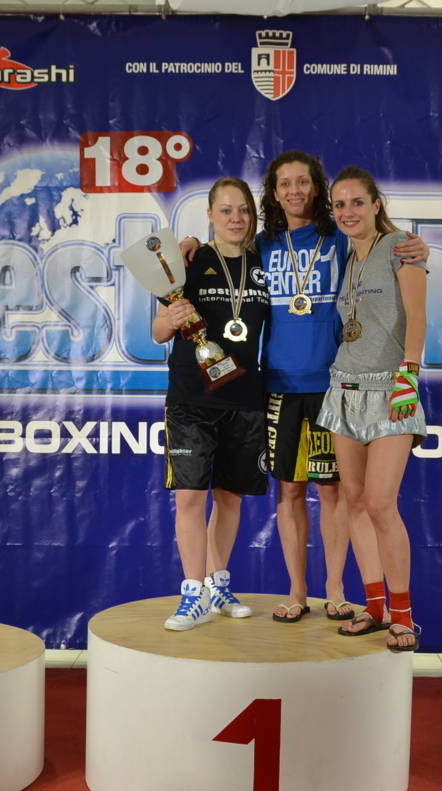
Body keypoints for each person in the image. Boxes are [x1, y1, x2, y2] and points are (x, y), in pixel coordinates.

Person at [182, 151, 425, 625]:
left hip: (334, 384)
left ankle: (335, 590)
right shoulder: (262, 244)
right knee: (289, 492)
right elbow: (223, 247)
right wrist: (192, 241)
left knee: (335, 493)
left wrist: (416, 246)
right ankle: (297, 591)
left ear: (317, 188)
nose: (294, 190)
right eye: (284, 183)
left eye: (303, 182)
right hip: (278, 383)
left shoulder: (340, 235)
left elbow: (383, 246)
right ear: (273, 194)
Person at [316, 166, 427, 652]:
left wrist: (409, 375)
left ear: (376, 204)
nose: (348, 212)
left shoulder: (401, 246)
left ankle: (403, 616)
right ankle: (375, 606)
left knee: (382, 504)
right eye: (339, 205)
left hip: (390, 389)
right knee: (355, 502)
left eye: (357, 202)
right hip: (343, 388)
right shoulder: (347, 256)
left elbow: (418, 317)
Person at [155, 178, 270, 631]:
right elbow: (158, 333)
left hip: (245, 396)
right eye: (226, 210)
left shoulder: (265, 263)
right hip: (191, 397)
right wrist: (170, 318)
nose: (235, 219)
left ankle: (218, 584)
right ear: (209, 215)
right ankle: (192, 593)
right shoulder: (188, 260)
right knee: (189, 496)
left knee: (229, 497)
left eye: (243, 210)